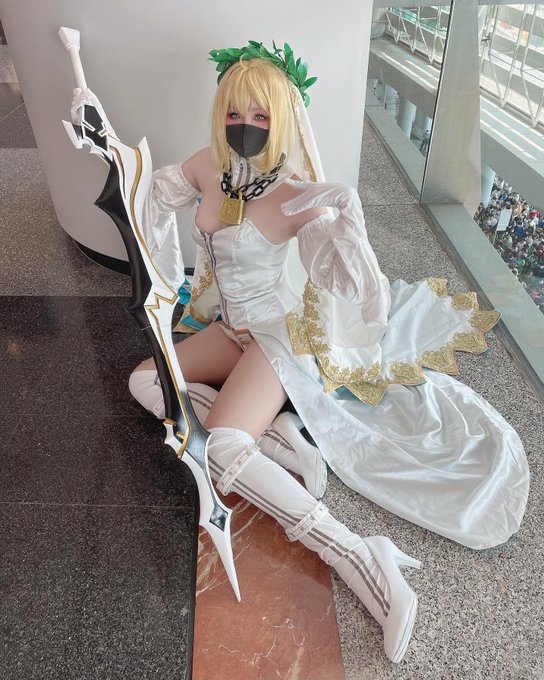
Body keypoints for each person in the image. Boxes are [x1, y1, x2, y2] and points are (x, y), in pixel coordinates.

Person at [74, 43, 529, 663]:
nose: (247, 125)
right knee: (144, 383)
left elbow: (351, 286)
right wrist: (102, 142)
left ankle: (359, 555)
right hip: (229, 330)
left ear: (283, 120)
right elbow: (146, 195)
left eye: (262, 116)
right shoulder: (206, 166)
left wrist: (346, 224)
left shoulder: (295, 195)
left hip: (277, 338)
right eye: (236, 112)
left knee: (221, 447)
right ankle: (278, 435)